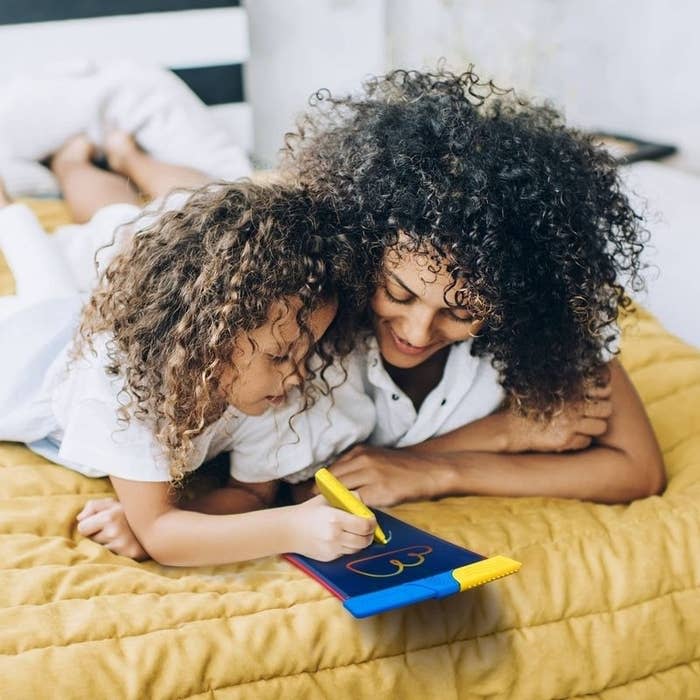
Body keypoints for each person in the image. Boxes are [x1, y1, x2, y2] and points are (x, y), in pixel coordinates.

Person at [283, 68, 665, 507]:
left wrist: (438, 471)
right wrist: (505, 432)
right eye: (399, 294)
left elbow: (638, 469)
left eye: (462, 312)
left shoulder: (548, 317)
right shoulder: (303, 309)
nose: (418, 332)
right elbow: (292, 493)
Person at [0, 134, 378, 565]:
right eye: (280, 356)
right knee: (41, 293)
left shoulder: (269, 388)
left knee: (75, 259)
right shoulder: (129, 383)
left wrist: (173, 522)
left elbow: (251, 494)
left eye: (307, 352)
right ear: (207, 343)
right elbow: (162, 536)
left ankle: (70, 161)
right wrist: (290, 527)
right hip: (33, 364)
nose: (298, 375)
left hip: (76, 322)